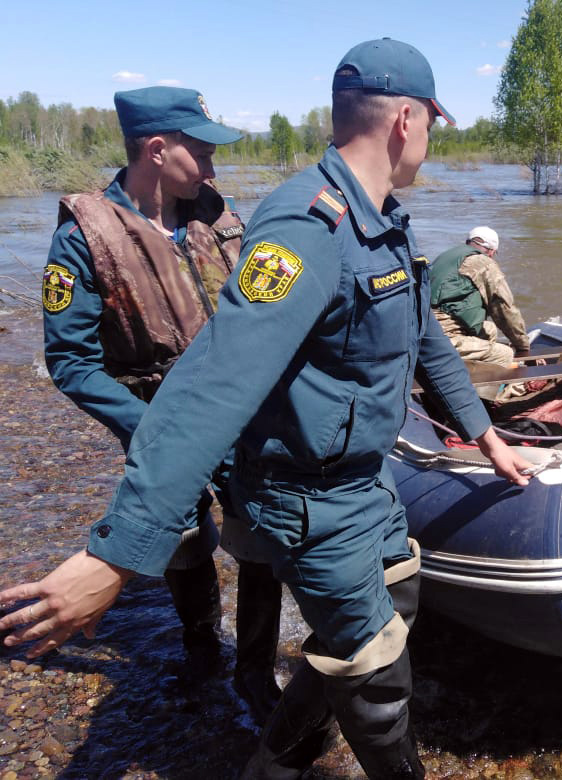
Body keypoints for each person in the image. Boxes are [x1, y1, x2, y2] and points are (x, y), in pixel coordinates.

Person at [2, 39, 532, 779]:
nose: (432, 139)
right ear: (407, 120)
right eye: (434, 125)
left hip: (364, 481)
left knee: (399, 596)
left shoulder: (384, 219)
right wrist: (115, 555)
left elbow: (419, 336)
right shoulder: (307, 229)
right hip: (310, 497)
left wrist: (485, 436)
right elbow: (214, 383)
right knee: (380, 684)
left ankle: (281, 750)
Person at [38, 85, 283, 722]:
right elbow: (70, 362)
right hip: (155, 416)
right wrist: (150, 425)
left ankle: (254, 670)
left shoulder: (217, 214)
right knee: (182, 538)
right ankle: (202, 649)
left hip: (239, 409)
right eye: (200, 150)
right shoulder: (84, 235)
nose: (211, 165)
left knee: (260, 532)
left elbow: (269, 305)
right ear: (156, 149)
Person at [430, 226, 531, 367]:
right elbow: (504, 309)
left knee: (489, 329)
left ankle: (473, 369)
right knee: (506, 354)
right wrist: (523, 347)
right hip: (443, 340)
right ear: (491, 251)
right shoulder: (484, 263)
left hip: (426, 330)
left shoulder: (447, 257)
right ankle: (477, 385)